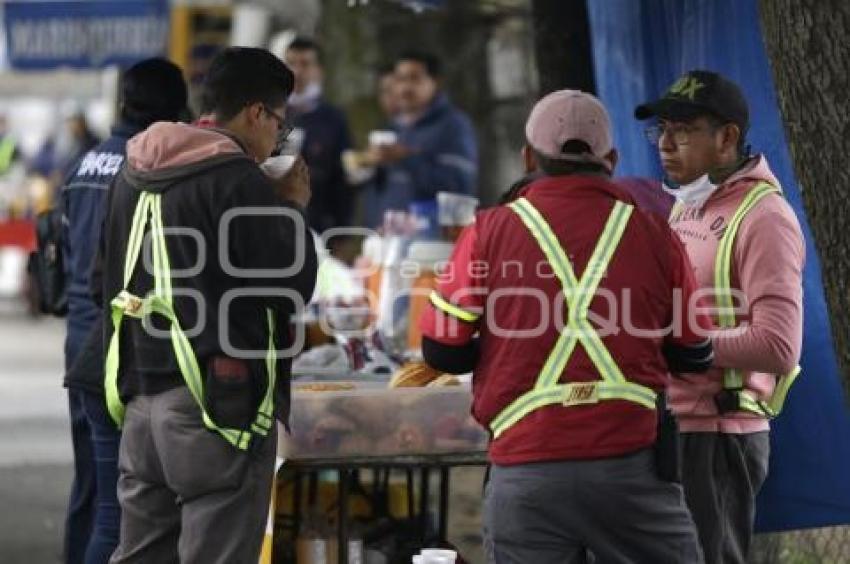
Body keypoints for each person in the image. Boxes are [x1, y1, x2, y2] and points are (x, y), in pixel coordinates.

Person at [421, 89, 711, 563]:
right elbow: (693, 352)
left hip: (525, 470)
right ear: (612, 159)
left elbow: (441, 350)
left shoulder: (487, 231)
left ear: (528, 157)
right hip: (631, 474)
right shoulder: (655, 232)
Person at [100, 47, 317, 563]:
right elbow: (291, 286)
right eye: (279, 127)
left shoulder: (133, 169)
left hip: (139, 395)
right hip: (217, 403)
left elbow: (101, 276)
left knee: (141, 552)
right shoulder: (238, 178)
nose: (276, 141)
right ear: (256, 113)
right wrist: (289, 206)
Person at [635, 69, 805, 563]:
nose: (665, 144)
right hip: (675, 427)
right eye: (661, 129)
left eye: (682, 130)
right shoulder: (685, 205)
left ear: (727, 137)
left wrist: (676, 342)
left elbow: (778, 346)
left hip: (720, 436)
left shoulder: (765, 216)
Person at [61, 57, 188, 564]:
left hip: (80, 337)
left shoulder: (85, 162)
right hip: (119, 343)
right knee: (118, 507)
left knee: (90, 483)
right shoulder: (145, 168)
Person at [361, 50, 478, 227]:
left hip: (435, 243)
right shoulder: (395, 127)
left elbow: (459, 185)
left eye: (415, 79)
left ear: (436, 82)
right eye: (400, 79)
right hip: (390, 240)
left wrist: (407, 159)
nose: (405, 88)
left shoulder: (453, 125)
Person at [281, 36, 353, 232]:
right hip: (273, 220)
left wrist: (341, 231)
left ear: (319, 71)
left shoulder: (333, 119)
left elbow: (343, 177)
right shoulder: (269, 114)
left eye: (305, 64)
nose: (296, 71)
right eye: (291, 63)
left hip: (319, 224)